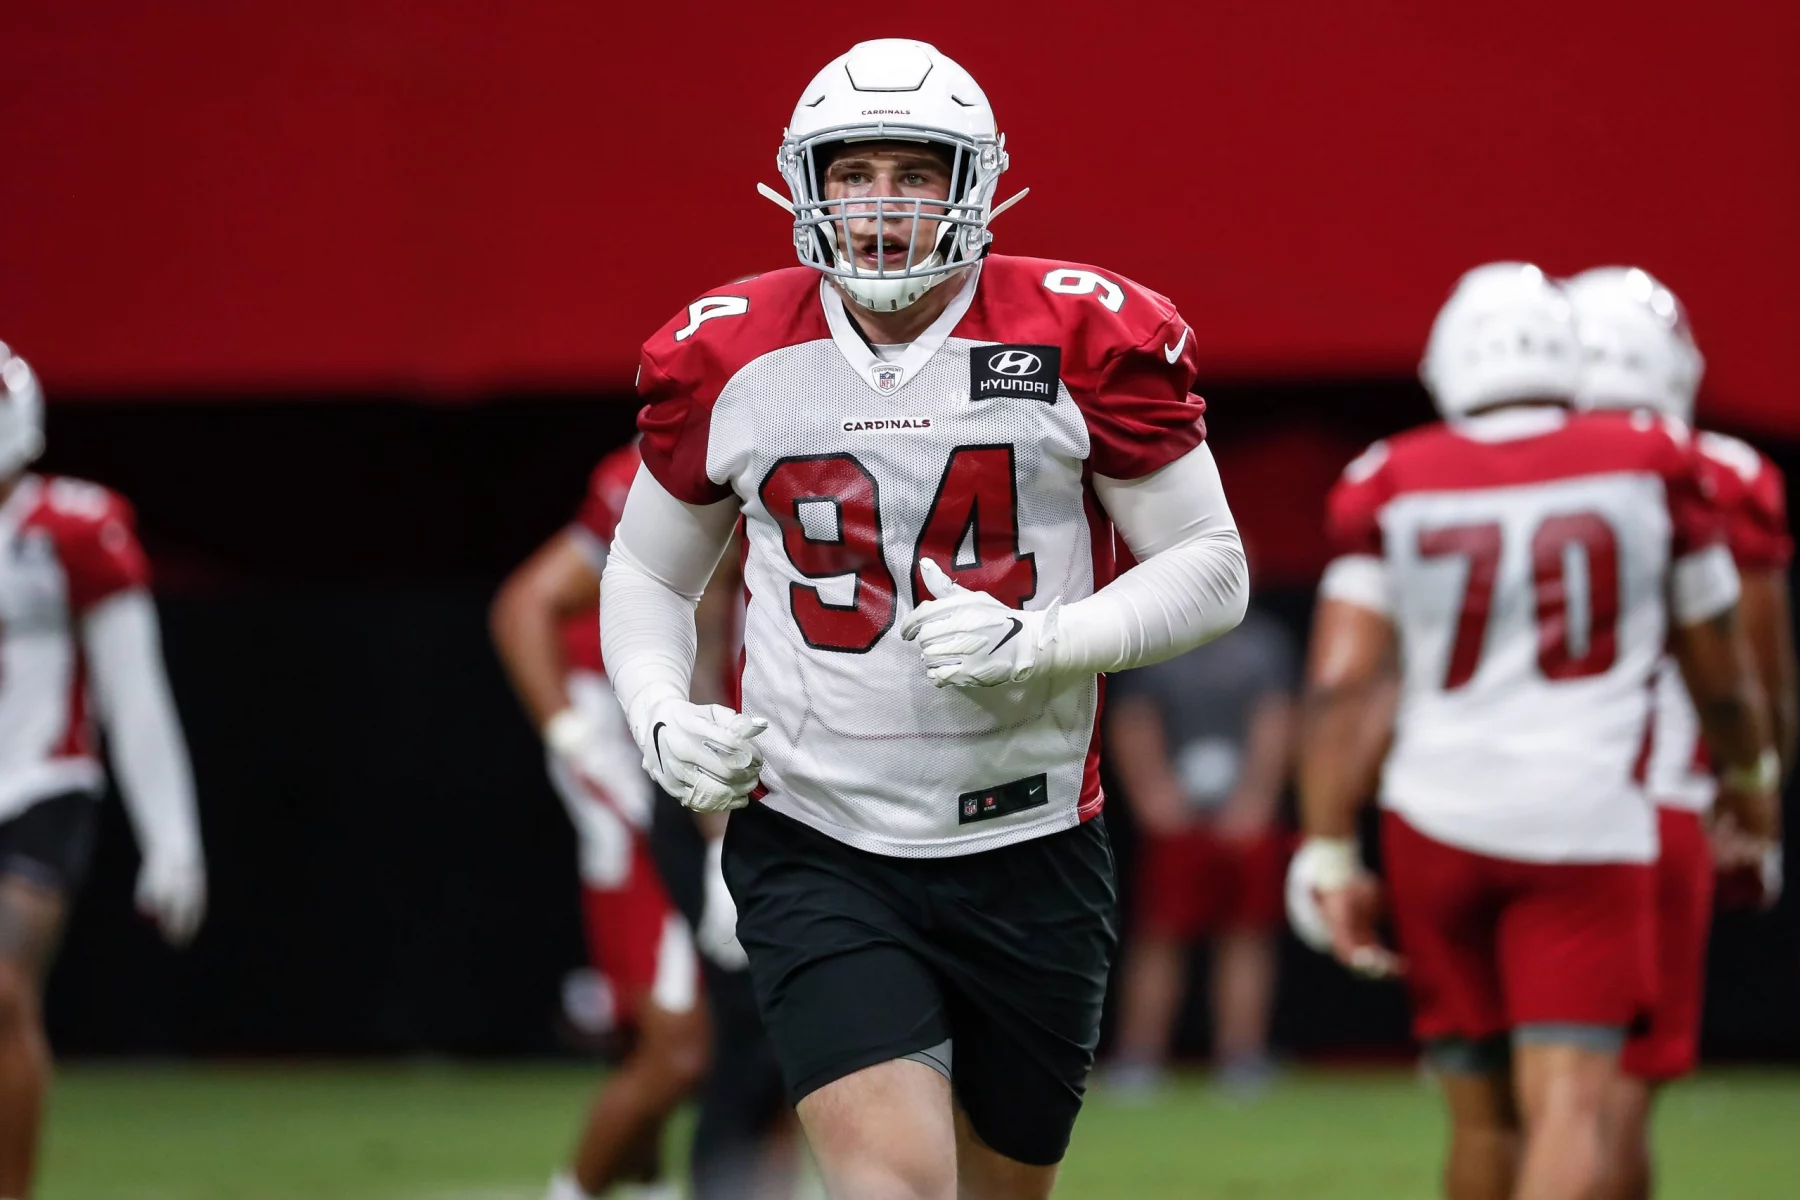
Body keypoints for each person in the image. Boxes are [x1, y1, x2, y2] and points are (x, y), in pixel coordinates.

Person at [597, 38, 1248, 1200]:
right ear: (808, 183)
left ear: (979, 182)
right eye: (857, 172)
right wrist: (657, 711)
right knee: (895, 1188)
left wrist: (1046, 640)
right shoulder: (730, 352)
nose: (885, 205)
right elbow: (648, 574)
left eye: (918, 171)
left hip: (1033, 840)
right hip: (817, 837)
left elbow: (1210, 566)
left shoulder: (1078, 335)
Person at [1285, 264, 1780, 1200]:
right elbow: (1721, 667)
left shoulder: (1389, 475)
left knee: (1480, 1113)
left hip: (1430, 818)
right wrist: (1752, 778)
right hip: (1587, 814)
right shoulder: (1648, 461)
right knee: (1572, 1104)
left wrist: (1326, 848)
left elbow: (1345, 684)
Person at [493, 443, 789, 1200]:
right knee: (684, 1049)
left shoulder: (806, 445)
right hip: (643, 767)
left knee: (743, 1038)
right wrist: (576, 739)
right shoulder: (661, 473)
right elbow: (530, 603)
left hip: (722, 766)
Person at [1564, 267, 1794, 1200]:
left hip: (1500, 801)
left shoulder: (1475, 462)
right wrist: (1758, 798)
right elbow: (1756, 671)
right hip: (1659, 800)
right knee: (1618, 1093)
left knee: (1515, 1095)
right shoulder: (1725, 475)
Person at [0, 344, 206, 1199]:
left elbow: (135, 693)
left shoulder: (71, 533)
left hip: (39, 787)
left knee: (1, 993)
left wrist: (173, 840)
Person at [1104, 603, 1296, 1097]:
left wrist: (1255, 799)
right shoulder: (1156, 640)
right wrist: (1153, 796)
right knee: (1160, 935)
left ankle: (1242, 1057)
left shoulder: (1263, 644)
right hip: (1175, 815)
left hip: (1245, 817)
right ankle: (1139, 1059)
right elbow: (1133, 720)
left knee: (1247, 934)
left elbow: (1276, 720)